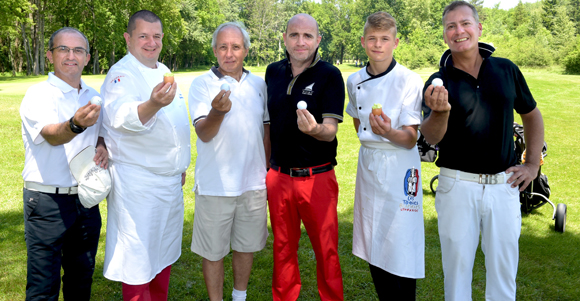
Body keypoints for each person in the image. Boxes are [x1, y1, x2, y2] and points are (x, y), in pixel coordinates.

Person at [421, 1, 544, 300]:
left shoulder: (505, 69)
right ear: (445, 35)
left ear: (479, 27)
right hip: (456, 185)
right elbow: (430, 136)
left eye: (465, 23)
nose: (458, 31)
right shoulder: (438, 81)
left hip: (504, 185)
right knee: (457, 272)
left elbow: (531, 115)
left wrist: (532, 164)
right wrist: (439, 112)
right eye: (451, 26)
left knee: (503, 274)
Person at [100, 10, 191, 300]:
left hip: (169, 182)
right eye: (143, 36)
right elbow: (122, 116)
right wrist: (152, 103)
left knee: (162, 255)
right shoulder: (121, 73)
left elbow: (174, 125)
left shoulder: (162, 69)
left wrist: (178, 164)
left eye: (157, 36)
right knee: (138, 261)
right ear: (128, 39)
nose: (151, 42)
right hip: (138, 185)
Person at [20, 27, 108, 300]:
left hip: (85, 201)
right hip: (47, 202)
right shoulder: (38, 94)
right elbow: (52, 135)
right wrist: (76, 124)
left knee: (80, 281)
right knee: (43, 288)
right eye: (64, 49)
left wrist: (102, 144)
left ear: (87, 57)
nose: (71, 56)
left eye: (78, 50)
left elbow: (100, 133)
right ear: (50, 55)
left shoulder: (92, 94)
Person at [265, 13, 345, 301]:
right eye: (294, 35)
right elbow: (268, 125)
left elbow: (330, 131)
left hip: (318, 177)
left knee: (327, 249)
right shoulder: (272, 72)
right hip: (279, 177)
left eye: (307, 36)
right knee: (283, 247)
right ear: (284, 38)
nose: (301, 42)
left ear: (318, 40)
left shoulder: (330, 75)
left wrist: (314, 130)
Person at [188, 22, 269, 301]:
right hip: (215, 185)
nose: (229, 53)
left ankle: (239, 296)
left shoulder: (259, 84)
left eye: (236, 46)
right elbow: (204, 133)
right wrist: (217, 112)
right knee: (213, 251)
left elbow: (266, 130)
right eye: (223, 46)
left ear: (246, 49)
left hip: (252, 183)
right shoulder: (201, 84)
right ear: (214, 50)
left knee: (246, 246)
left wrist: (266, 171)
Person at [346, 12, 424, 300]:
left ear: (396, 42)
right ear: (364, 42)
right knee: (374, 240)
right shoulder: (354, 80)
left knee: (401, 243)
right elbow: (357, 120)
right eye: (372, 39)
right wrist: (375, 136)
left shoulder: (409, 80)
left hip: (400, 166)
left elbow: (410, 138)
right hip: (369, 165)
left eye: (385, 39)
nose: (378, 45)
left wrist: (389, 133)